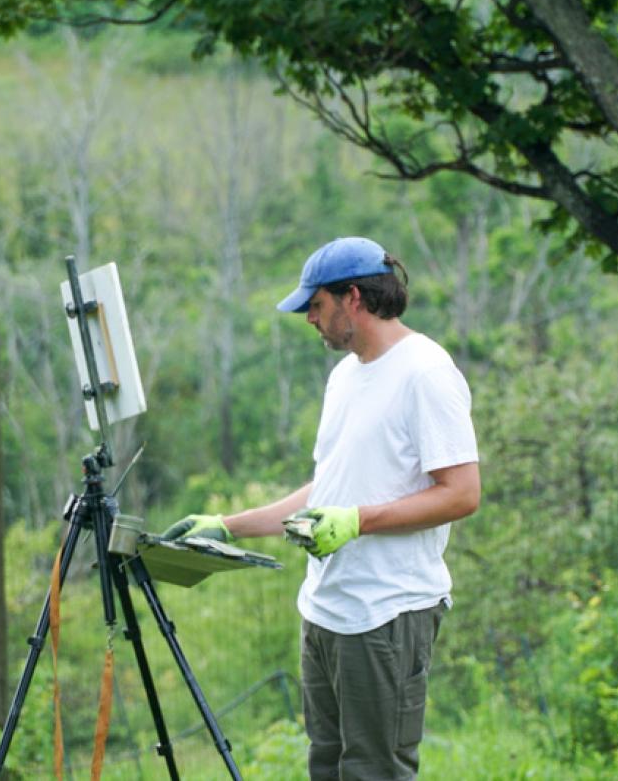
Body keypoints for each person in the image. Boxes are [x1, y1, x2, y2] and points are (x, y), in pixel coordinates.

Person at [161, 236, 480, 781]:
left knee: (374, 772)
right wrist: (227, 527)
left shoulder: (425, 372)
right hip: (325, 611)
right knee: (326, 768)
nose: (310, 319)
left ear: (352, 297)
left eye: (315, 305)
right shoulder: (345, 376)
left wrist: (358, 521)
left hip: (387, 613)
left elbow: (462, 493)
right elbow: (326, 491)